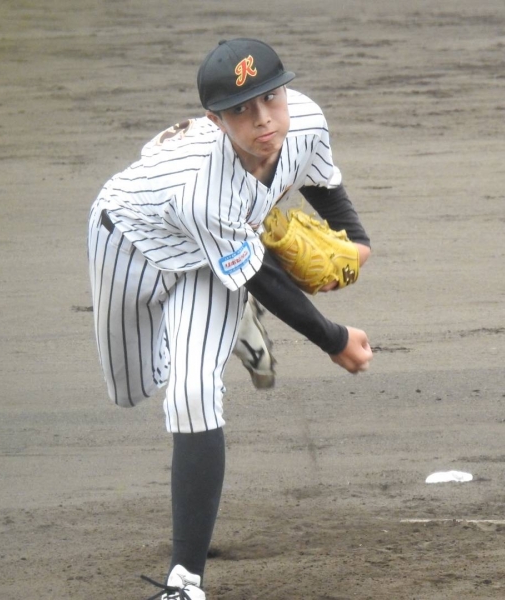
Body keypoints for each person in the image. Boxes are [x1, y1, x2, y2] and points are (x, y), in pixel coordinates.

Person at [86, 38, 372, 599]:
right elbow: (258, 273)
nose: (263, 118)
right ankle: (239, 325)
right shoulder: (202, 184)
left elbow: (325, 186)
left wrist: (359, 248)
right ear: (215, 120)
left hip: (213, 266)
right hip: (128, 246)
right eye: (241, 109)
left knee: (191, 394)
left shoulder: (305, 121)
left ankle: (184, 581)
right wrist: (334, 338)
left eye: (271, 97)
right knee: (129, 388)